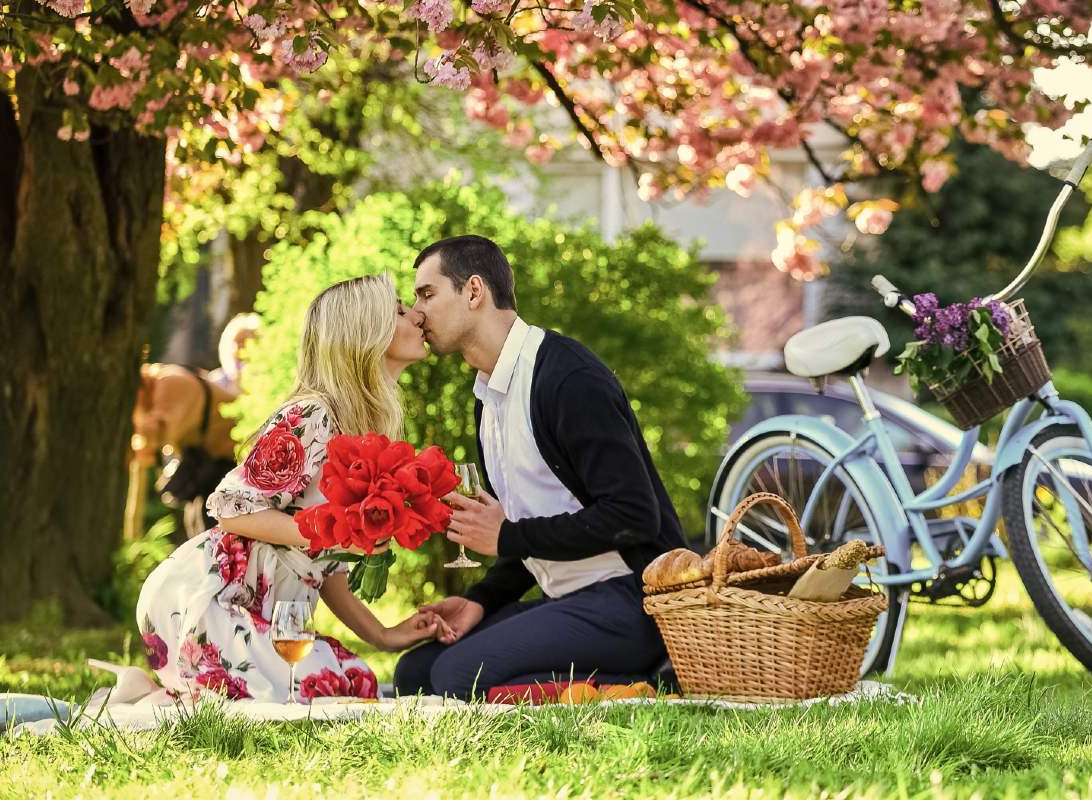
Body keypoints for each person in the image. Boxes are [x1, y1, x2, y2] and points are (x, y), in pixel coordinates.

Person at [135, 275, 448, 702]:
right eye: (398, 311)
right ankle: (163, 689)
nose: (415, 315)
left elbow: (324, 566)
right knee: (324, 695)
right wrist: (330, 529)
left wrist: (385, 635)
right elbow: (231, 507)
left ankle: (169, 691)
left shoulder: (361, 427)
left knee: (354, 684)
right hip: (207, 601)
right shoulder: (312, 414)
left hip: (274, 616)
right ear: (365, 331)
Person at [394, 234, 682, 699]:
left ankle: (647, 683)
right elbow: (528, 531)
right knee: (417, 671)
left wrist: (507, 536)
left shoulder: (567, 377)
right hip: (567, 602)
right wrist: (480, 601)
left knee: (453, 679)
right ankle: (596, 686)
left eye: (427, 294)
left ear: (473, 291)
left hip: (632, 602)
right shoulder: (486, 397)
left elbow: (633, 516)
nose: (417, 312)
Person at [130, 313, 260, 536]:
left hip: (237, 461)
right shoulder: (159, 389)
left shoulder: (169, 384)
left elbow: (156, 436)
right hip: (217, 465)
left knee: (214, 532)